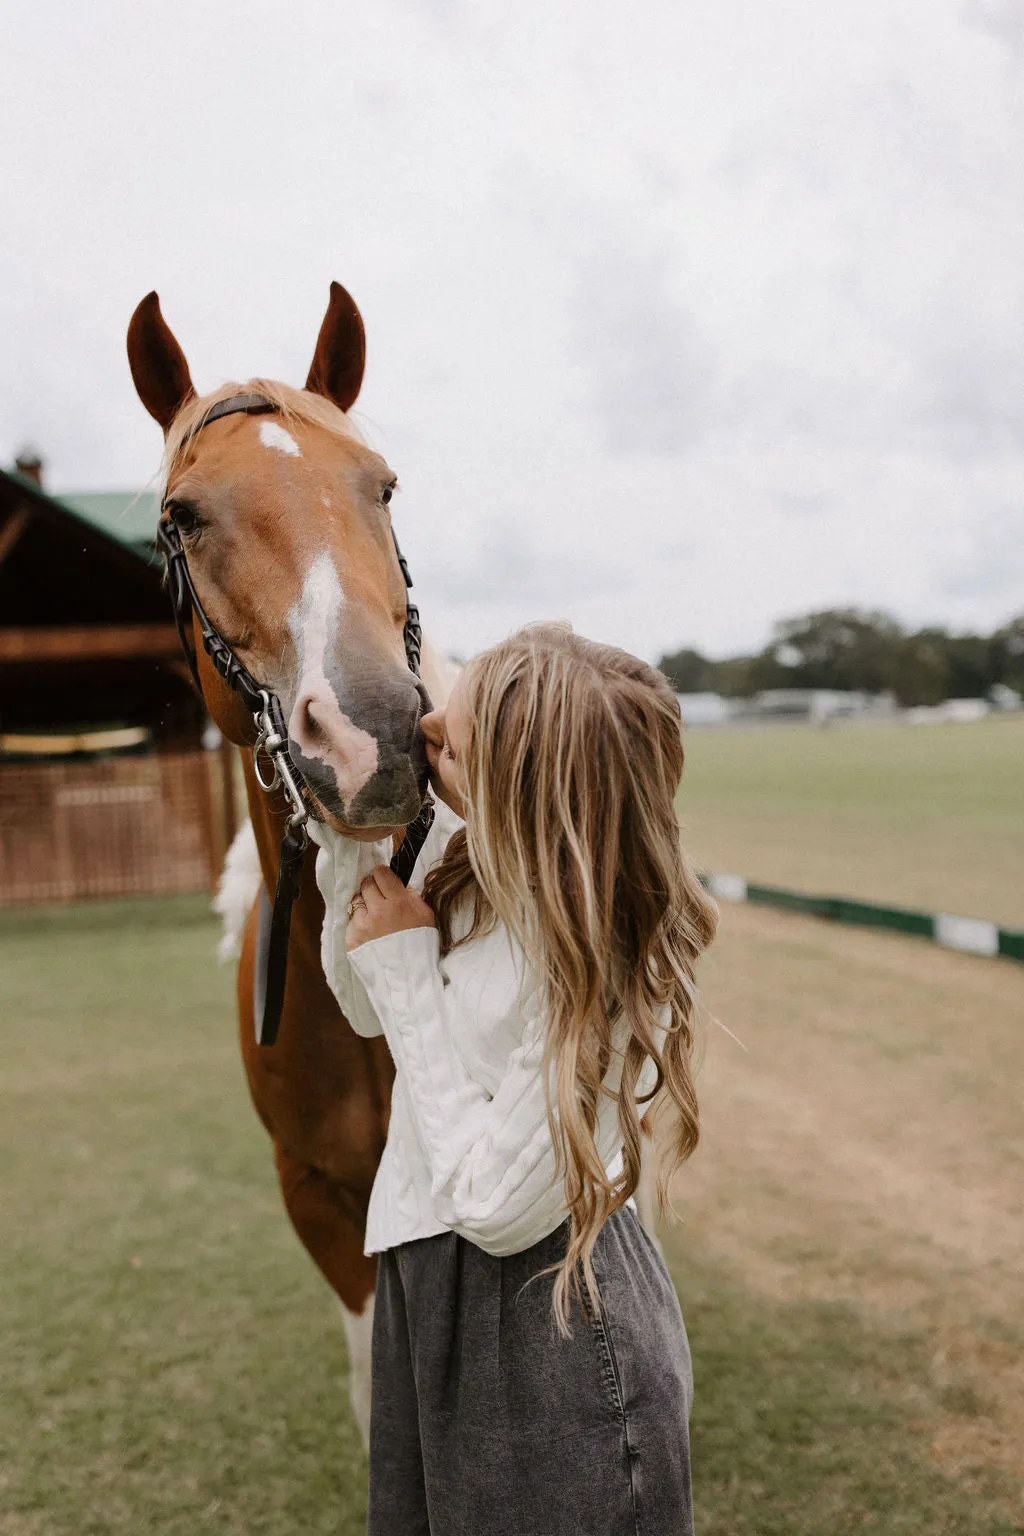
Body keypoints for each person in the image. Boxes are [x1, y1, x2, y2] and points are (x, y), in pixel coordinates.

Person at [328, 623, 717, 1535]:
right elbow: (362, 998)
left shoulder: (608, 965)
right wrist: (348, 832)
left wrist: (409, 970)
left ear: (518, 789)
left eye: (447, 744)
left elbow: (497, 1209)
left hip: (552, 1328)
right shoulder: (471, 857)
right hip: (424, 1286)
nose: (424, 736)